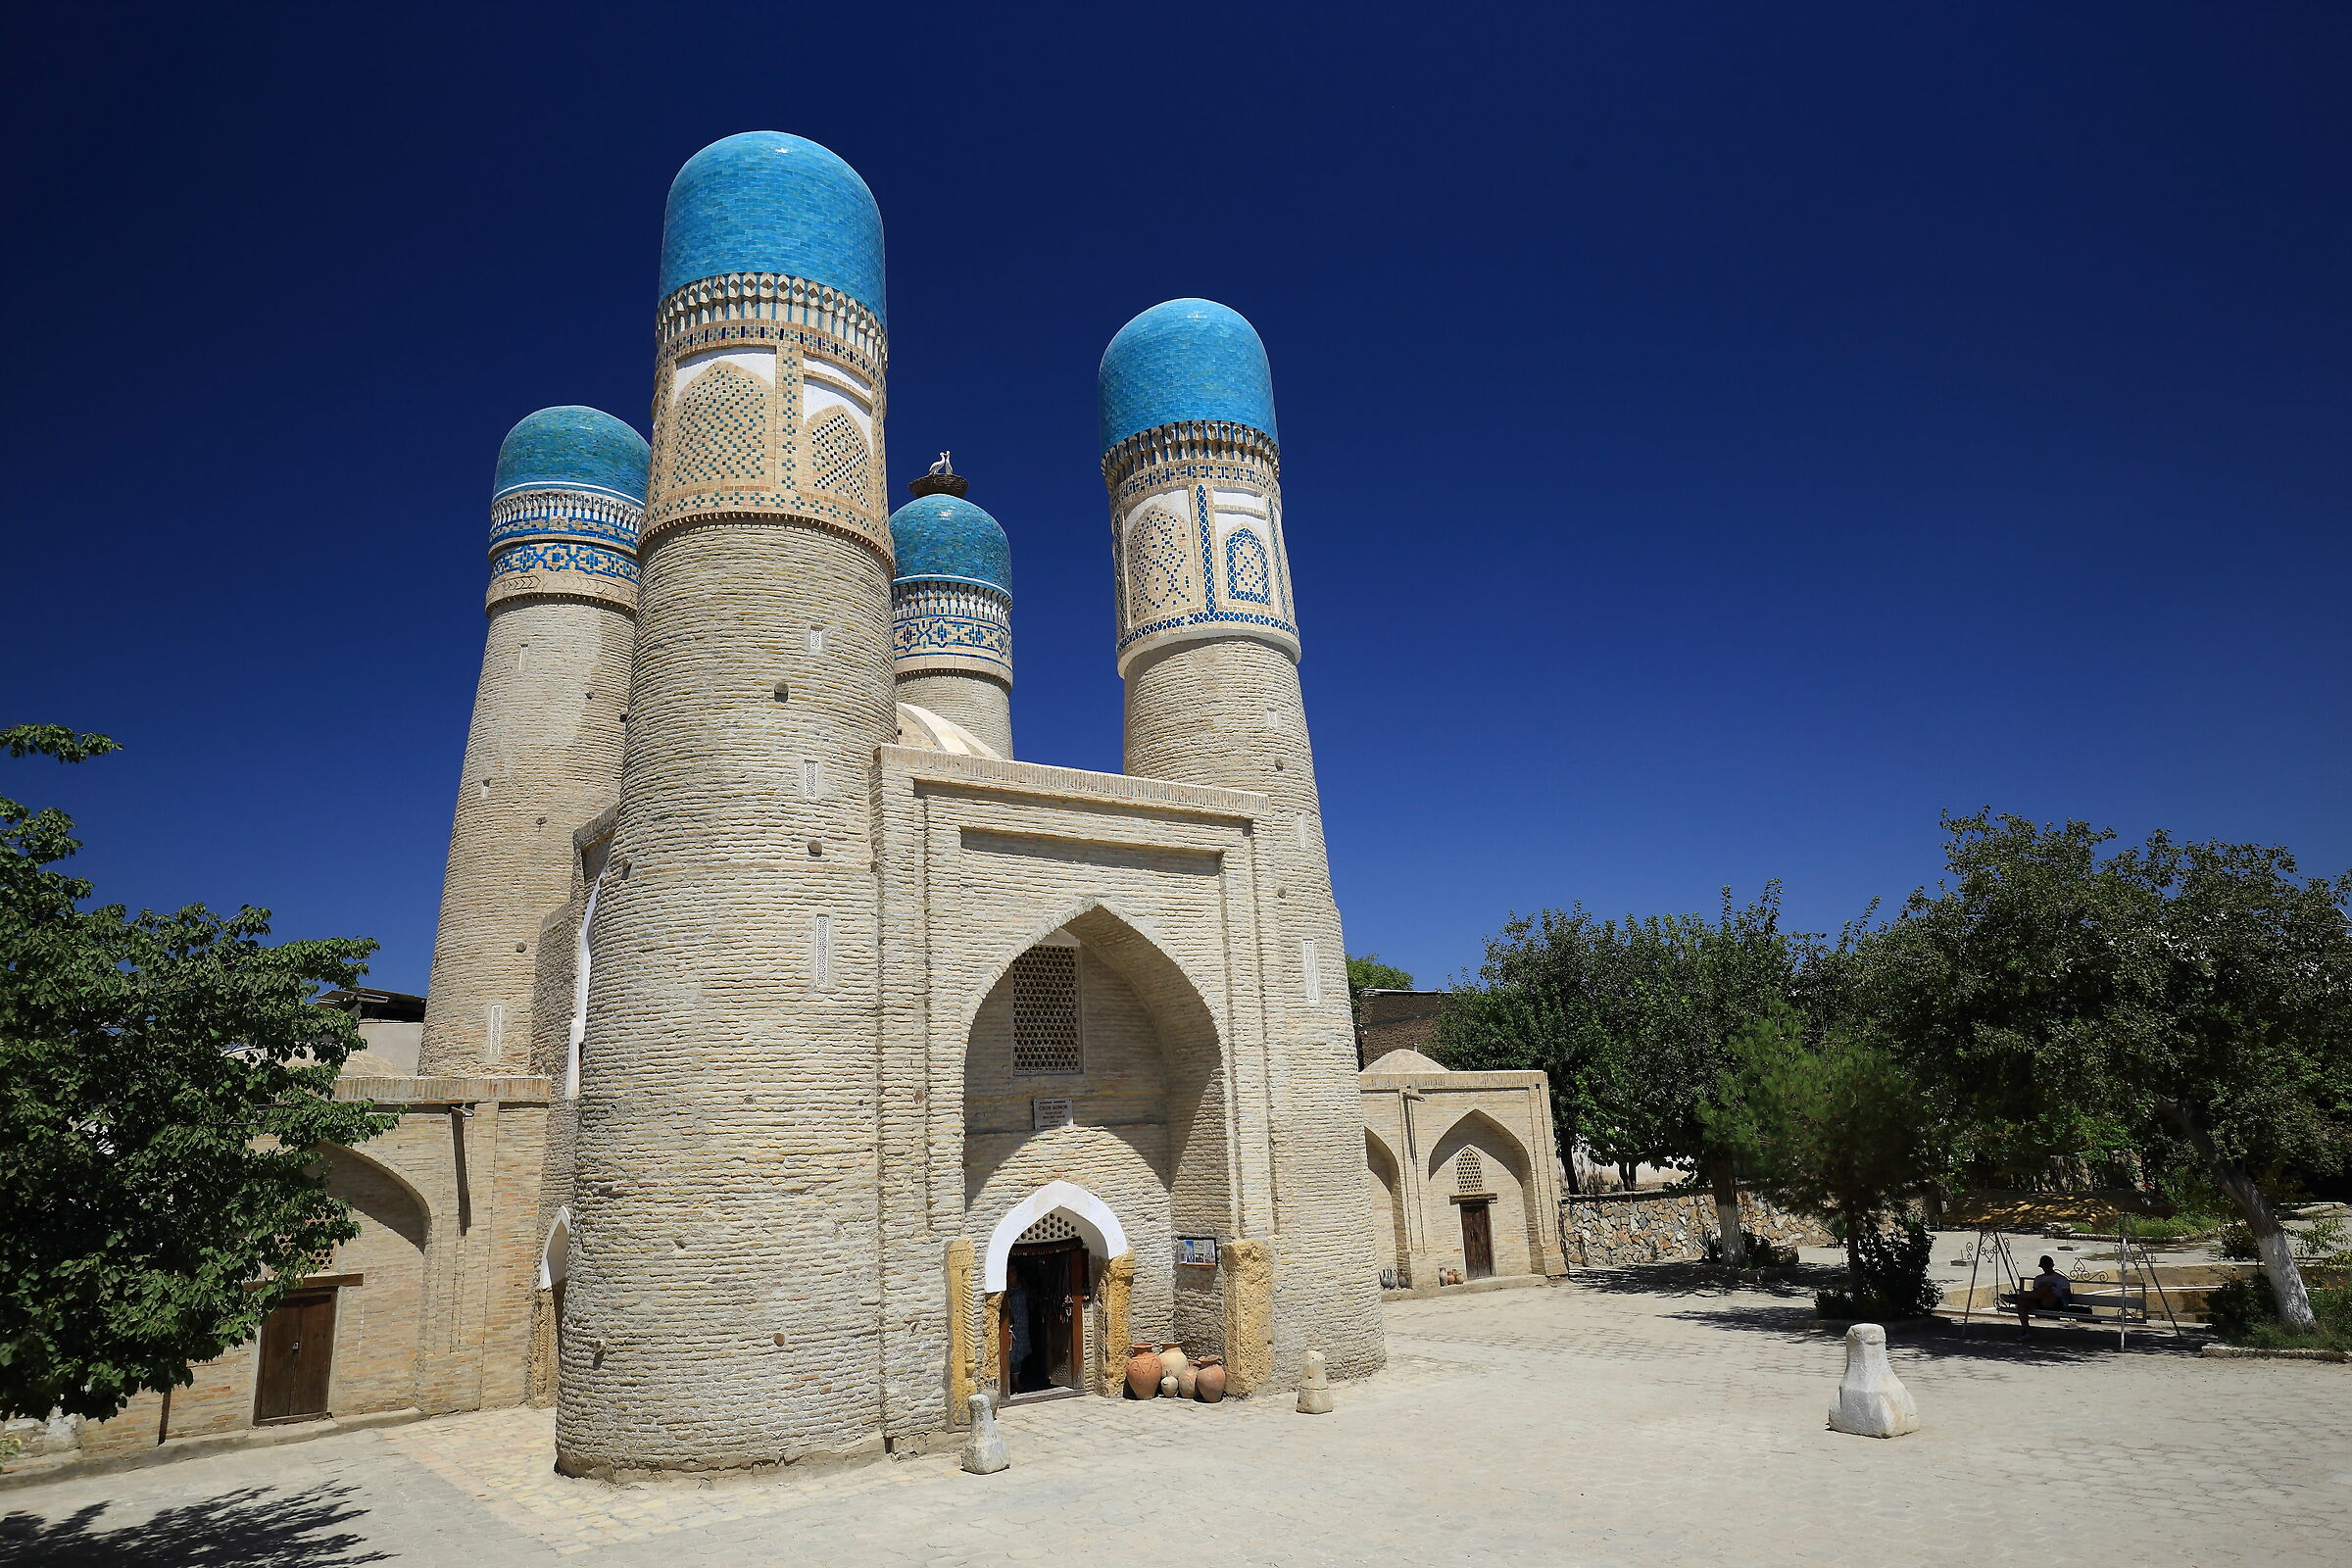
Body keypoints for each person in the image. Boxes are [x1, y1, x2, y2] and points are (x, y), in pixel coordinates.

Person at [2013, 1255, 2073, 1339]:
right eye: (2044, 1267)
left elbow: (2067, 1296)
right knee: (2022, 1303)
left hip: (2054, 1303)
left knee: (2046, 1288)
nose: (2045, 1269)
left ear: (2052, 1266)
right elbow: (2035, 1294)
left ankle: (2017, 1297)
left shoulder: (2061, 1279)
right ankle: (2027, 1331)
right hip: (2039, 1302)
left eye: (2047, 1266)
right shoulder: (2038, 1279)